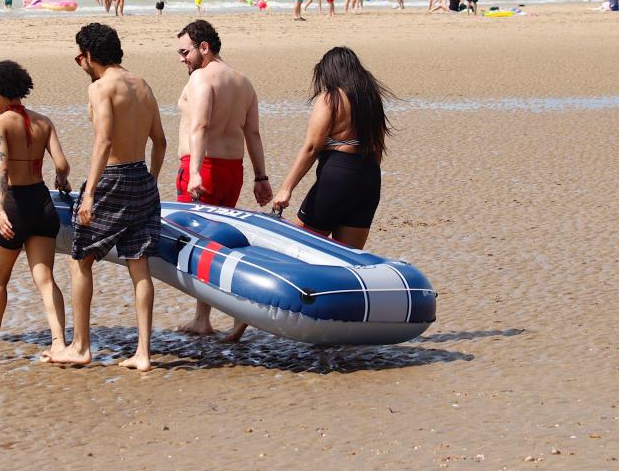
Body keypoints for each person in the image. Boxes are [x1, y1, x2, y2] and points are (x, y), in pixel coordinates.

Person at [45, 23, 167, 372]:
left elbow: (104, 142)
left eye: (78, 55)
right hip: (141, 177)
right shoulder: (142, 84)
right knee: (139, 264)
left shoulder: (101, 88)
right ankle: (144, 353)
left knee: (79, 258)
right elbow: (160, 141)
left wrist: (90, 195)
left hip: (111, 178)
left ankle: (81, 346)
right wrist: (151, 181)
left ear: (88, 55)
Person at [0, 60, 71, 359]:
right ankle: (60, 343)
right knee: (46, 277)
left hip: (15, 204)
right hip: (42, 203)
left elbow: (1, 167)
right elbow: (62, 165)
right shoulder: (44, 122)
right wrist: (61, 180)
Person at [172, 20, 272, 340]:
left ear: (205, 48)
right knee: (214, 244)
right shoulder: (244, 82)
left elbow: (199, 127)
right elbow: (252, 133)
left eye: (185, 51)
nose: (182, 58)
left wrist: (196, 172)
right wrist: (261, 177)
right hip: (234, 170)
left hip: (204, 169)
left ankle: (229, 311)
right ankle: (205, 318)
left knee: (198, 247)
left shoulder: (203, 78)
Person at [271, 46, 393, 252]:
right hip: (369, 179)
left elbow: (311, 147)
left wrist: (286, 189)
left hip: (338, 177)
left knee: (297, 248)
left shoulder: (331, 98)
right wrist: (363, 176)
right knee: (347, 257)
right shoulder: (372, 99)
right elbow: (378, 147)